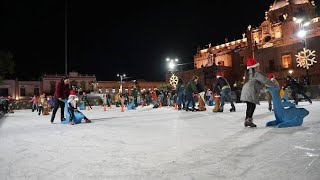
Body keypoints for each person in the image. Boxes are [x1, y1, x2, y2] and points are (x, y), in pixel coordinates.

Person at [240, 58, 275, 127]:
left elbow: (259, 83)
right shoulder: (255, 74)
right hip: (250, 91)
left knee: (249, 106)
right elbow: (264, 80)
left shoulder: (248, 74)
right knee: (252, 105)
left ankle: (247, 120)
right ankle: (248, 120)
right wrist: (273, 84)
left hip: (246, 91)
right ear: (254, 67)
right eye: (257, 66)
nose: (258, 67)